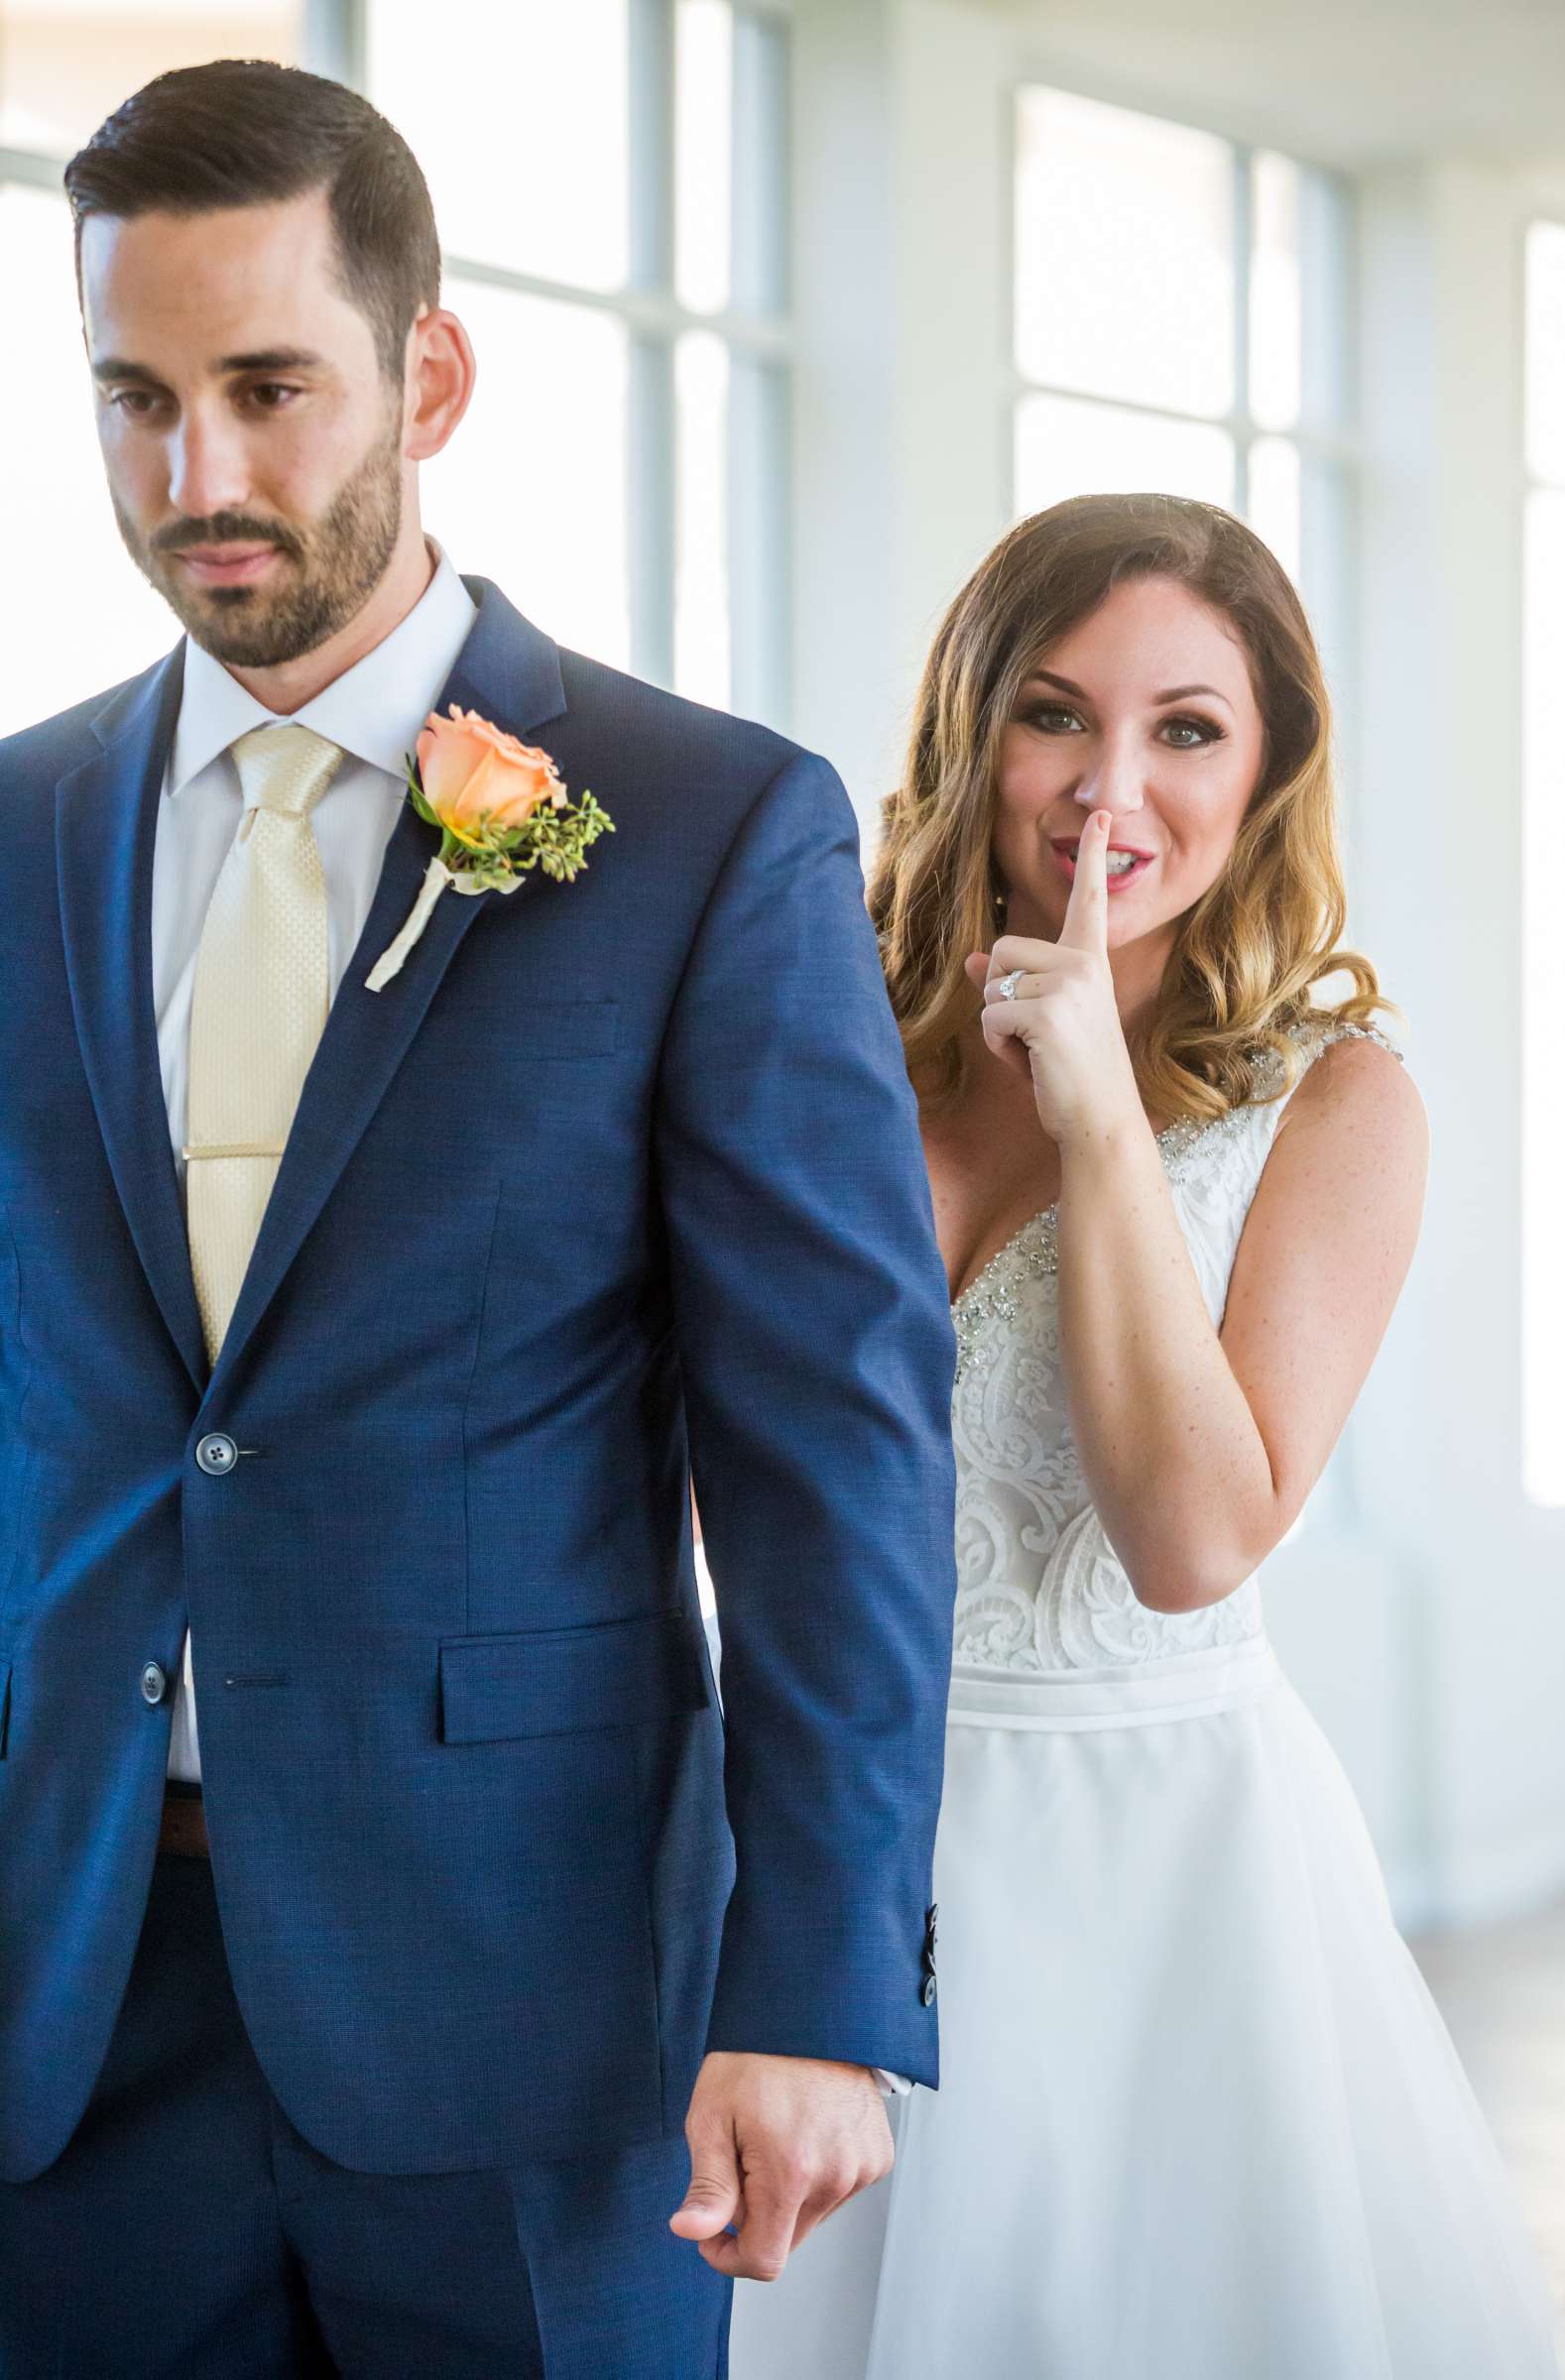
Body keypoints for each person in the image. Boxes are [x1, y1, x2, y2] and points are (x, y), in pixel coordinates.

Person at [0, 60, 958, 2379]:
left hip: (532, 2022)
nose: (194, 478)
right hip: (69, 2002)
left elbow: (831, 1449)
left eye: (266, 389)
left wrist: (820, 1980)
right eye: (133, 398)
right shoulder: (14, 832)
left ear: (427, 374)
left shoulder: (707, 827)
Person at [728, 493, 1565, 2378]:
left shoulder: (1339, 1106)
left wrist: (1107, 1118)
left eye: (1187, 727)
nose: (1109, 782)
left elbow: (1196, 1537)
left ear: (1267, 766)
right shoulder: (810, 1032)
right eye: (1055, 713)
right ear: (972, 730)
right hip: (791, 1843)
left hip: (1152, 1883)